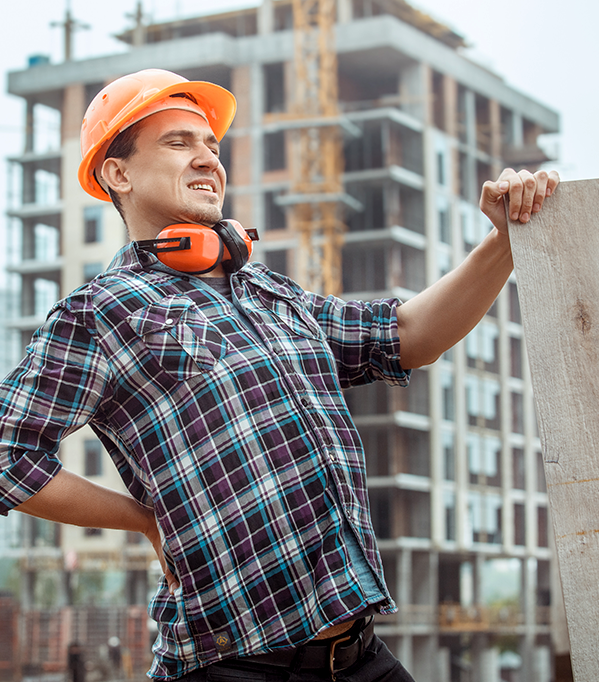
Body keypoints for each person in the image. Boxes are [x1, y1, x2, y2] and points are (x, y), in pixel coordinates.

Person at [0, 69, 559, 682]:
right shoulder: (104, 310)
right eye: (179, 143)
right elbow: (8, 453)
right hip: (233, 665)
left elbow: (408, 336)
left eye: (211, 145)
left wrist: (504, 241)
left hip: (359, 655)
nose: (207, 158)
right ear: (118, 173)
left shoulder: (272, 295)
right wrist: (143, 517)